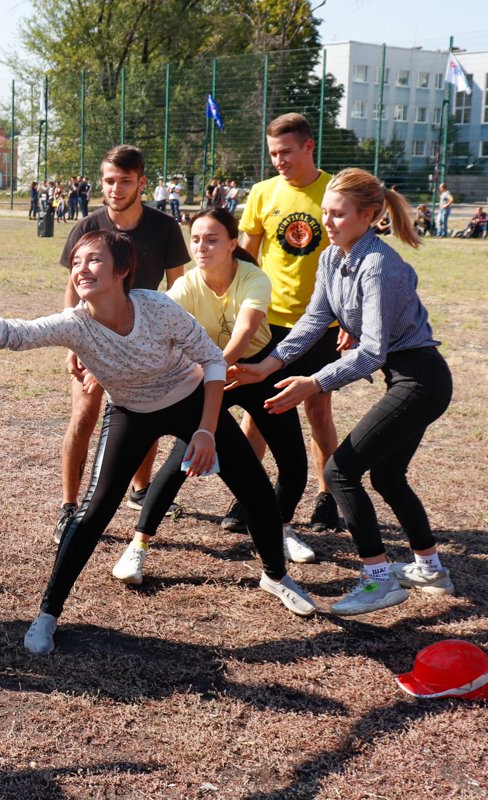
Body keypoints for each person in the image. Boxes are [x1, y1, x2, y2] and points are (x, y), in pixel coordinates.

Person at [0, 229, 317, 655]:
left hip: (191, 403)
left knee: (258, 495)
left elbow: (212, 359)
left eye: (94, 260)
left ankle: (275, 575)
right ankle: (48, 614)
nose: (82, 269)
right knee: (92, 513)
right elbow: (12, 333)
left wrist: (206, 430)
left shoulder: (157, 307)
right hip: (131, 413)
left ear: (122, 270)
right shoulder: (75, 324)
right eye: (77, 262)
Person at [229, 168, 452, 616]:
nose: (328, 222)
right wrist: (266, 366)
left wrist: (315, 382)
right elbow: (314, 321)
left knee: (340, 471)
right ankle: (429, 567)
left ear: (369, 216)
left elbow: (371, 351)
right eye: (325, 213)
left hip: (422, 381)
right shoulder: (333, 257)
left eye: (338, 214)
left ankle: (378, 580)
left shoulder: (379, 265)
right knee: (387, 476)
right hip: (407, 378)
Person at [116, 208, 313, 585]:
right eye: (195, 239)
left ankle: (281, 528)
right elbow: (155, 324)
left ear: (232, 243)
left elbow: (244, 332)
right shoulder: (187, 285)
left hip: (254, 370)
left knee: (293, 462)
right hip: (209, 375)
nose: (201, 247)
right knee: (181, 460)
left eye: (212, 239)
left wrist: (215, 368)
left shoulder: (254, 278)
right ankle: (138, 546)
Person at [54, 145, 188, 542]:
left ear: (142, 183)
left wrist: (171, 338)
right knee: (83, 416)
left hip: (144, 340)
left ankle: (141, 490)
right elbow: (71, 288)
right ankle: (69, 507)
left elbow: (178, 287)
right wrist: (72, 340)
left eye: (125, 181)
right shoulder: (88, 226)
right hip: (92, 336)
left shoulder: (164, 227)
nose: (115, 188)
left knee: (145, 418)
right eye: (109, 180)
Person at [232, 113, 341, 536]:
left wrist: (348, 318)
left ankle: (326, 497)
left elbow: (351, 260)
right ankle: (248, 495)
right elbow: (245, 259)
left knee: (318, 409)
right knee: (258, 411)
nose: (279, 160)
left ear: (309, 147)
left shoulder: (333, 191)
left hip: (320, 326)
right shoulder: (262, 193)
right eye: (273, 153)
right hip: (269, 323)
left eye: (287, 152)